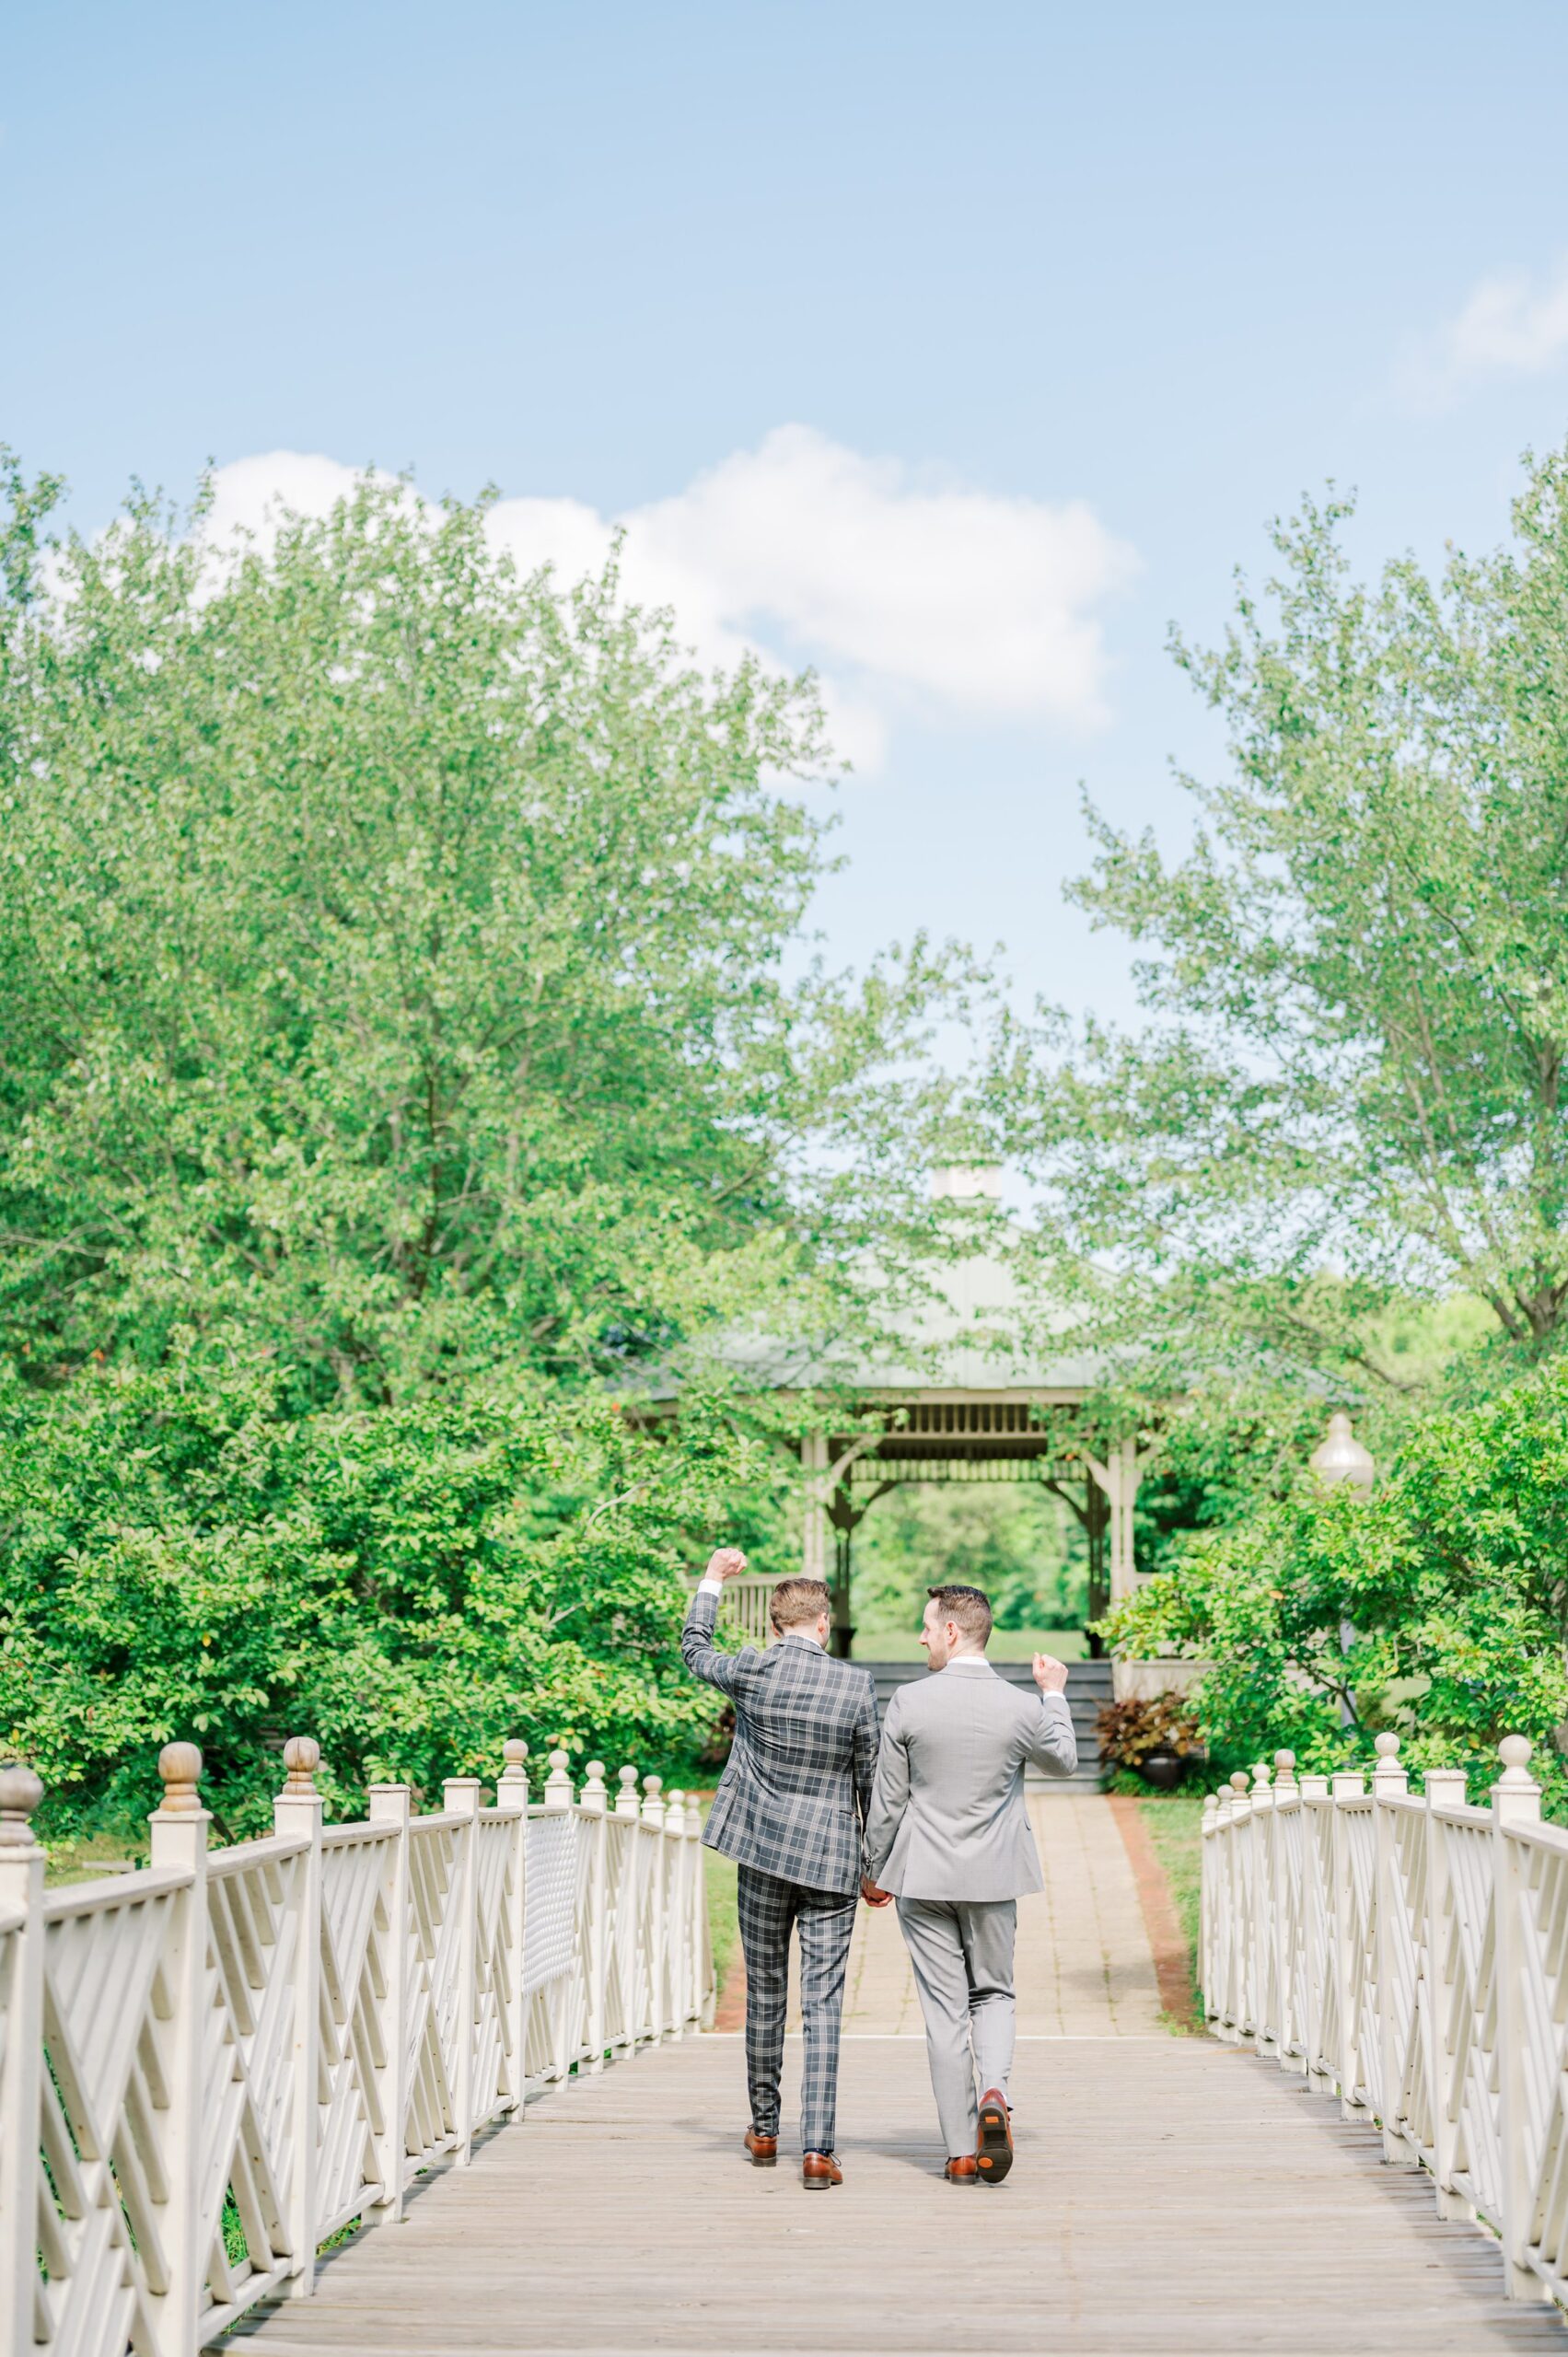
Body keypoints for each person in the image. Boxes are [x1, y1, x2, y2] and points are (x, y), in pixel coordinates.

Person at [862, 1582, 1076, 2183]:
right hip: (994, 1873)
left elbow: (887, 1802)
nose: (921, 1636)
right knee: (994, 1993)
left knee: (943, 2011)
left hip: (923, 1875)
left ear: (952, 1631)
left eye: (927, 1626)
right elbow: (1063, 1760)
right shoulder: (1019, 1705)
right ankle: (993, 2092)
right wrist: (1053, 1695)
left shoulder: (907, 1701)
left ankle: (959, 2153)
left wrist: (872, 1871)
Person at [681, 1547, 880, 2189]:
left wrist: (711, 1581)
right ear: (823, 1623)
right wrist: (875, 1867)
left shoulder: (751, 1672)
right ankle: (818, 2150)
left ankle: (764, 2131)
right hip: (830, 1861)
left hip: (763, 1855)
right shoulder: (855, 1684)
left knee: (765, 1994)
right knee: (822, 2006)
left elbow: (693, 1648)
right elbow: (871, 1782)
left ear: (774, 1626)